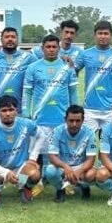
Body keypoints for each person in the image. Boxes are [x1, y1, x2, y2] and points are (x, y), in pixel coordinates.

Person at [22, 34, 79, 162]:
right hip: (40, 119)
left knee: (60, 154)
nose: (51, 49)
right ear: (42, 48)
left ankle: (60, 173)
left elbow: (73, 92)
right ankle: (35, 173)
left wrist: (75, 113)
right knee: (36, 155)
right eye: (48, 47)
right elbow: (27, 92)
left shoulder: (68, 67)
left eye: (54, 47)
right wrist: (26, 113)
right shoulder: (33, 67)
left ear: (59, 48)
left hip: (61, 119)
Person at [0, 95, 41, 208]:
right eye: (4, 110)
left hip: (20, 173)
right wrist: (6, 173)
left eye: (11, 110)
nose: (8, 113)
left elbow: (41, 136)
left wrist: (33, 158)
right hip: (0, 173)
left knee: (35, 174)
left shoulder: (25, 124)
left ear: (16, 111)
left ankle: (25, 187)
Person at [74, 21, 112, 131]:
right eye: (100, 33)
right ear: (95, 35)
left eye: (106, 33)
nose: (103, 36)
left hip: (110, 109)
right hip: (90, 109)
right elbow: (72, 72)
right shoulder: (85, 54)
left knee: (110, 140)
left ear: (111, 35)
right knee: (88, 140)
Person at [44, 105, 97, 203]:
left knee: (92, 174)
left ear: (83, 120)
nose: (74, 124)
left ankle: (84, 187)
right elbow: (52, 156)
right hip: (63, 166)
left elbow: (91, 159)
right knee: (50, 171)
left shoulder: (90, 133)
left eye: (78, 121)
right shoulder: (57, 131)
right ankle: (60, 189)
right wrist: (65, 167)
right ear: (65, 120)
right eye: (71, 121)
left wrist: (80, 170)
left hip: (80, 166)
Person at [0, 26, 36, 121]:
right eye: (6, 37)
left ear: (18, 39)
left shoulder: (28, 58)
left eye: (13, 37)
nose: (10, 39)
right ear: (1, 40)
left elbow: (45, 61)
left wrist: (63, 57)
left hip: (20, 110)